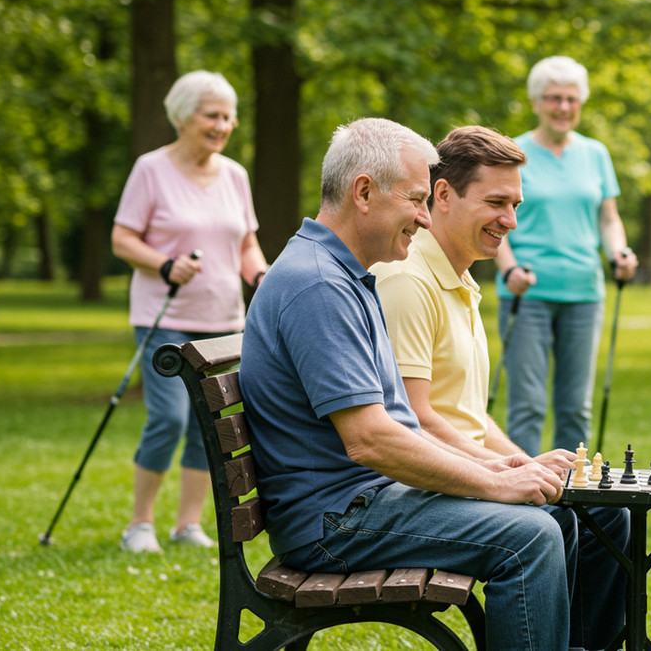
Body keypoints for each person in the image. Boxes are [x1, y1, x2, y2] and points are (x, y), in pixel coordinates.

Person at [239, 118, 571, 650]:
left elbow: (402, 420)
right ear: (364, 192)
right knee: (528, 537)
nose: (424, 215)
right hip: (334, 522)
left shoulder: (343, 273)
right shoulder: (319, 285)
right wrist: (494, 484)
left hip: (360, 502)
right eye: (416, 198)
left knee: (549, 516)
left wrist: (493, 464)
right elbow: (369, 439)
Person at [373, 125, 629, 649]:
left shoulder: (461, 277)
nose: (510, 221)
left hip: (463, 466)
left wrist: (526, 460)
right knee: (553, 524)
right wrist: (507, 473)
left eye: (515, 204)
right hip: (424, 481)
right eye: (496, 202)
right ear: (442, 195)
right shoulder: (408, 280)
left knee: (606, 511)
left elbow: (468, 413)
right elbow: (415, 418)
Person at [111, 70, 267, 553]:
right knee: (170, 418)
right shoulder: (151, 169)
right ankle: (139, 525)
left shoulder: (235, 175)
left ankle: (187, 524)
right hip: (166, 315)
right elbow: (122, 238)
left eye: (228, 116)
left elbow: (246, 245)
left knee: (212, 421)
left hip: (223, 320)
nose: (223, 125)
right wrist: (162, 263)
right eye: (211, 115)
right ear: (182, 116)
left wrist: (263, 278)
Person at [494, 55, 639, 456]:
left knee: (576, 408)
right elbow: (494, 219)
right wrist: (508, 272)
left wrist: (619, 252)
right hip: (527, 292)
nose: (563, 107)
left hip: (584, 293)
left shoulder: (595, 154)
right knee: (528, 406)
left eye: (571, 99)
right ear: (537, 101)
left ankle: (573, 502)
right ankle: (524, 501)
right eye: (554, 98)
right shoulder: (512, 153)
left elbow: (608, 219)